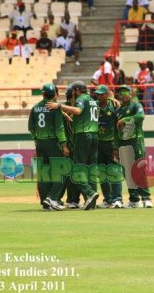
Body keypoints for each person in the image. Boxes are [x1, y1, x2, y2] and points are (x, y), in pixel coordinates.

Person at [46, 81, 99, 210]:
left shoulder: (81, 99)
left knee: (76, 168)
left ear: (76, 90)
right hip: (94, 135)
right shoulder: (92, 100)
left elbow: (77, 111)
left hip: (83, 135)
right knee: (91, 168)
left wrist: (59, 106)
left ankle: (90, 194)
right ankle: (90, 200)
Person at [28, 83, 69, 211]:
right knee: (61, 171)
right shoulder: (54, 108)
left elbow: (31, 127)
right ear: (54, 94)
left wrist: (36, 140)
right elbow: (59, 128)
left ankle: (45, 202)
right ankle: (52, 198)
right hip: (52, 143)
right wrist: (64, 145)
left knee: (44, 173)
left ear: (43, 93)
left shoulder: (35, 108)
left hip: (40, 143)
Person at [115, 85, 153, 208]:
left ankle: (146, 198)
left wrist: (125, 119)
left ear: (130, 94)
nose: (122, 95)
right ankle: (134, 199)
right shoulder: (118, 110)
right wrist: (116, 147)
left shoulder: (136, 105)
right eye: (120, 93)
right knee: (127, 171)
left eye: (125, 92)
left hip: (136, 140)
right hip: (123, 143)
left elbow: (140, 117)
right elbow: (116, 131)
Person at [94, 85, 123, 209]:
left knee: (114, 171)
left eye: (101, 94)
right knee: (101, 172)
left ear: (107, 94)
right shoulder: (94, 105)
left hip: (112, 143)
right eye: (98, 94)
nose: (99, 96)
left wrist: (117, 146)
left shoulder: (114, 106)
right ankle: (108, 199)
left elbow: (120, 127)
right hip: (99, 143)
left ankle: (118, 199)